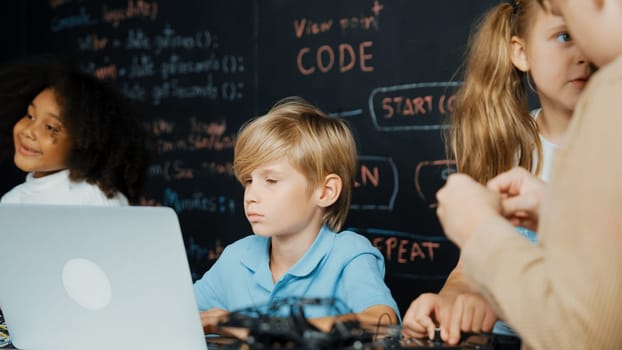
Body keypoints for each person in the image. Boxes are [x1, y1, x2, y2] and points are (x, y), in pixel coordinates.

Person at [401, 0, 594, 344]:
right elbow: (468, 269)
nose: (584, 54)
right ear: (521, 53)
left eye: (592, 35)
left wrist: (497, 301)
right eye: (564, 36)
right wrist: (450, 303)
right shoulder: (510, 149)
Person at [193, 97, 399, 335]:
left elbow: (382, 322)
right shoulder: (237, 257)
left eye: (271, 181)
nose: (251, 195)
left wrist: (253, 327)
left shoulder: (348, 254)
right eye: (249, 180)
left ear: (325, 191)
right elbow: (180, 314)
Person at [0, 55, 150, 205]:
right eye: (30, 115)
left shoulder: (97, 198)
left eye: (50, 127)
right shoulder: (10, 201)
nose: (29, 131)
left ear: (83, 143)